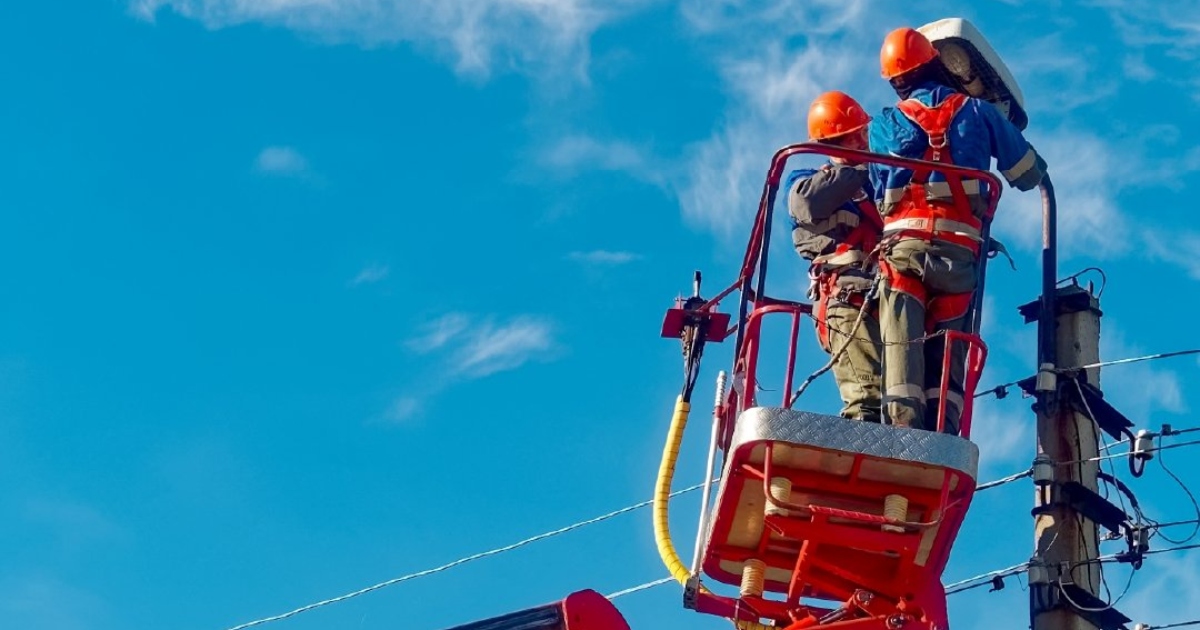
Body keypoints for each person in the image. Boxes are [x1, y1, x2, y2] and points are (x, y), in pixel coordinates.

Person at [869, 27, 1047, 433]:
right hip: (959, 253)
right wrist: (991, 127)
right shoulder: (978, 112)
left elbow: (880, 191)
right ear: (936, 63)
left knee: (900, 343)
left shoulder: (884, 124)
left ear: (896, 82)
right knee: (949, 348)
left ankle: (902, 430)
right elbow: (1026, 173)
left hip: (904, 250)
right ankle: (943, 431)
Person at [786, 91, 884, 423]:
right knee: (868, 402)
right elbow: (807, 205)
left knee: (905, 401)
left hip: (889, 297)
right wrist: (853, 168)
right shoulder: (806, 180)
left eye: (863, 133)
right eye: (854, 136)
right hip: (846, 300)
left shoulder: (880, 181)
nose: (863, 142)